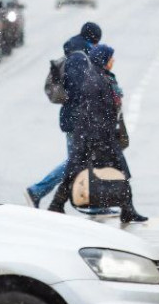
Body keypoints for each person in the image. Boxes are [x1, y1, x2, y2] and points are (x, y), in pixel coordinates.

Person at [48, 44, 148, 223]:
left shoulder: (98, 76)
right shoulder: (95, 80)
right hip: (93, 137)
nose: (113, 61)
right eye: (111, 58)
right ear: (103, 59)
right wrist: (99, 138)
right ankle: (127, 209)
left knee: (82, 170)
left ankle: (127, 209)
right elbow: (92, 112)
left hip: (94, 135)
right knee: (108, 170)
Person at [25, 22, 103, 207]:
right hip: (77, 119)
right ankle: (38, 191)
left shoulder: (77, 53)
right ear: (93, 39)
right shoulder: (78, 58)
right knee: (75, 163)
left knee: (79, 162)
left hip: (75, 117)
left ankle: (60, 202)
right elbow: (78, 90)